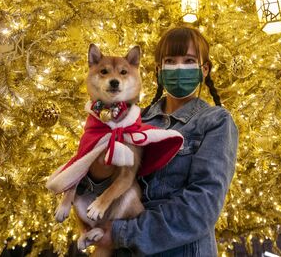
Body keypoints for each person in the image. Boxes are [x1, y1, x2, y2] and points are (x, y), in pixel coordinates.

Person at [94, 26, 239, 256]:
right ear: (158, 71)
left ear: (204, 69)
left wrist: (124, 232)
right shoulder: (135, 120)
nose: (179, 67)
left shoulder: (216, 121)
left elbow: (201, 208)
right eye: (170, 61)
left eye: (189, 60)